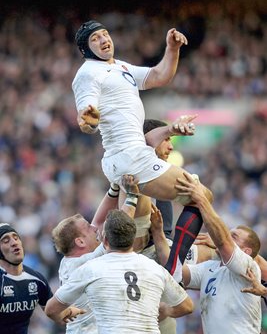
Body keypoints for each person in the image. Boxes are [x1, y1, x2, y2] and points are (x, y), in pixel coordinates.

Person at [72, 20, 213, 204]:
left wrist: (172, 48)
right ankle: (187, 235)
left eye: (105, 34)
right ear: (86, 50)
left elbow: (159, 76)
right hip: (130, 155)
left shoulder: (119, 67)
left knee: (140, 226)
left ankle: (165, 235)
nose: (103, 39)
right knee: (201, 196)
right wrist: (88, 121)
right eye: (95, 38)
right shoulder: (87, 73)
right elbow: (87, 118)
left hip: (129, 156)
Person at [45, 209, 194, 333]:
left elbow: (51, 310)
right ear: (132, 239)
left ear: (105, 240)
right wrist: (162, 310)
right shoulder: (156, 269)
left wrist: (69, 313)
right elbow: (187, 306)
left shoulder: (89, 270)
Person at [174, 172, 262, 334]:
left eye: (234, 236)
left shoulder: (249, 267)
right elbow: (177, 270)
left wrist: (202, 199)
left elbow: (222, 241)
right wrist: (158, 235)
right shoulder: (211, 268)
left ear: (246, 251)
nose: (228, 237)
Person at [52, 213, 104, 334]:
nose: (95, 228)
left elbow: (98, 220)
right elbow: (117, 236)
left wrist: (112, 193)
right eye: (88, 227)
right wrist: (131, 199)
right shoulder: (79, 264)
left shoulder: (67, 262)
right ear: (80, 242)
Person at [0, 223, 53, 334]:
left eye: (16, 238)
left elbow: (58, 314)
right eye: (6, 241)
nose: (14, 243)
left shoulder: (37, 279)